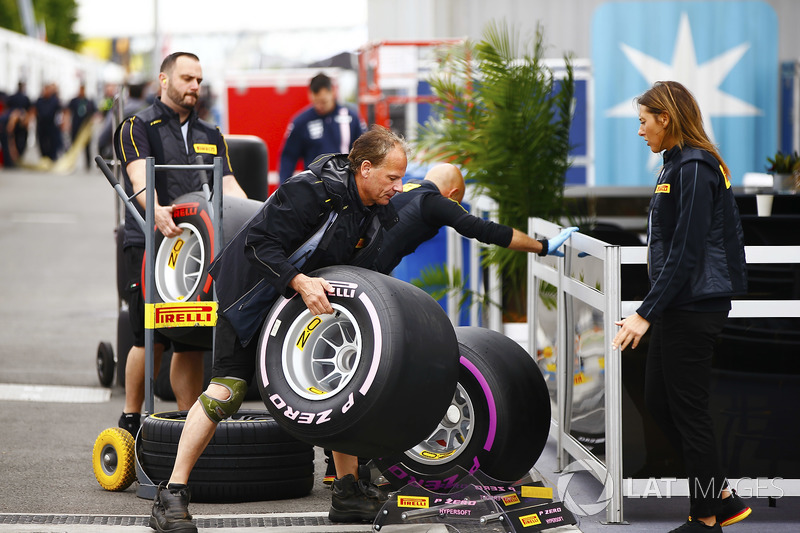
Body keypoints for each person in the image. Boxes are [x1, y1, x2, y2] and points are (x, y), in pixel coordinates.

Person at [147, 126, 406, 533]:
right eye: (393, 178)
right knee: (226, 393)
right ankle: (171, 496)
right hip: (250, 296)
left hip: (302, 308)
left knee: (341, 386)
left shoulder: (374, 207)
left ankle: (349, 492)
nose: (399, 186)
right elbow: (258, 244)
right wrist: (300, 282)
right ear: (366, 168)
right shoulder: (311, 190)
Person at [611, 81, 749, 533]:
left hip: (694, 308)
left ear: (665, 119)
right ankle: (722, 497)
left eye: (644, 121)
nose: (640, 131)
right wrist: (653, 308)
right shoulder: (677, 165)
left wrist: (644, 312)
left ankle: (705, 518)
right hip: (678, 306)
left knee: (688, 411)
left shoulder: (693, 167)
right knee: (659, 401)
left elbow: (686, 252)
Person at [114, 52, 247, 438]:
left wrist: (255, 217)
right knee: (148, 336)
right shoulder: (137, 126)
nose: (195, 87)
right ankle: (131, 420)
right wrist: (154, 210)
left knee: (189, 340)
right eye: (187, 78)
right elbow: (139, 178)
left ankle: (189, 422)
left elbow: (229, 188)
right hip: (149, 238)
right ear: (163, 80)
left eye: (199, 80)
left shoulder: (211, 134)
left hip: (198, 246)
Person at [375, 162, 577, 275]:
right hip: (369, 268)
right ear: (452, 194)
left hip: (358, 257)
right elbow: (487, 231)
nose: (456, 208)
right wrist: (543, 246)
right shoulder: (436, 202)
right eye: (458, 202)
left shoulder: (409, 186)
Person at [278, 72, 366, 184]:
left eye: (323, 102)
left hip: (345, 184)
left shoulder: (351, 118)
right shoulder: (301, 121)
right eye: (316, 102)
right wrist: (283, 189)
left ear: (332, 92)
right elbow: (288, 157)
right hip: (314, 187)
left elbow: (364, 151)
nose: (319, 106)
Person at [64, 84, 98, 169]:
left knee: (87, 146)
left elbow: (95, 113)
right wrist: (67, 123)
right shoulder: (74, 101)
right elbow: (67, 111)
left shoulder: (89, 101)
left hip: (86, 127)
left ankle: (88, 164)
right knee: (73, 145)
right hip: (76, 125)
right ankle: (71, 163)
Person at [34, 82, 63, 161]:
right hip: (41, 125)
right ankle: (44, 158)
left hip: (51, 125)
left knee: (52, 142)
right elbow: (35, 111)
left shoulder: (54, 100)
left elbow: (60, 112)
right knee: (42, 142)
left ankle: (52, 158)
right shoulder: (39, 100)